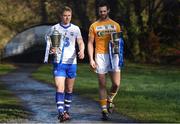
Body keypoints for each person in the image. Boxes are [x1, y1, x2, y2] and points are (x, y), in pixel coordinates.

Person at [44, 6, 85, 122]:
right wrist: (51, 49)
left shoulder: (75, 29)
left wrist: (82, 50)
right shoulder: (54, 28)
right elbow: (48, 42)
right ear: (61, 16)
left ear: (71, 16)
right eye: (65, 15)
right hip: (59, 63)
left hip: (72, 63)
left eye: (69, 16)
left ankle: (66, 111)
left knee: (69, 89)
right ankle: (61, 113)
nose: (67, 18)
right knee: (59, 87)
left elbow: (81, 42)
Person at [88, 1, 123, 120]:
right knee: (102, 83)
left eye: (104, 11)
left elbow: (119, 42)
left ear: (108, 11)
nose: (102, 13)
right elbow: (90, 43)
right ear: (98, 12)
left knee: (116, 84)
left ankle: (110, 99)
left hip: (113, 55)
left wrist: (117, 47)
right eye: (100, 11)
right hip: (100, 55)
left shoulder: (115, 25)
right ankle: (104, 110)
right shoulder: (94, 26)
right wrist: (91, 58)